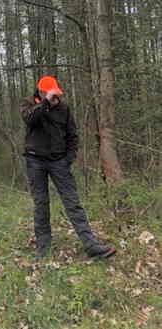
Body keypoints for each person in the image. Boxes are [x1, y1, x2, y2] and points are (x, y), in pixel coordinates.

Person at [20, 75, 116, 260]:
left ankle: (91, 246)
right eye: (51, 95)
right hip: (35, 161)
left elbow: (73, 135)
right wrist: (45, 103)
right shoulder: (28, 104)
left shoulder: (63, 108)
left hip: (59, 162)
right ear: (41, 92)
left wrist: (68, 159)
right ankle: (43, 250)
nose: (55, 98)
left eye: (56, 95)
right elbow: (30, 119)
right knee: (41, 204)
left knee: (73, 203)